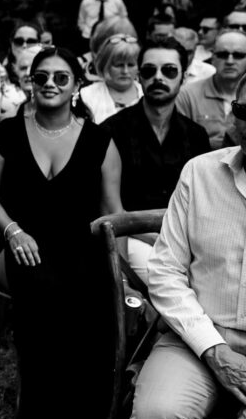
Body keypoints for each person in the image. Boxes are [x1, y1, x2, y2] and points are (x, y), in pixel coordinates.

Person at [0, 47, 123, 419]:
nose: (49, 84)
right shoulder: (6, 133)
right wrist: (13, 230)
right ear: (30, 82)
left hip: (78, 246)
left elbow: (113, 211)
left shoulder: (99, 141)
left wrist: (120, 273)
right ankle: (41, 410)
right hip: (16, 243)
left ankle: (88, 413)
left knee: (90, 288)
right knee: (41, 281)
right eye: (41, 76)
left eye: (61, 77)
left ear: (77, 85)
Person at [131, 77, 246, 419]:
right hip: (197, 334)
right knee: (155, 418)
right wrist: (212, 347)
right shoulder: (199, 173)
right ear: (234, 114)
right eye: (245, 112)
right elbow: (165, 271)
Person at [101, 37, 210, 273]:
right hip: (129, 238)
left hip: (185, 240)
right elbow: (107, 205)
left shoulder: (196, 135)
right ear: (139, 76)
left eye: (169, 70)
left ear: (183, 76)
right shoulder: (110, 131)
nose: (158, 77)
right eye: (149, 70)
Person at [176, 29, 246, 149]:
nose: (230, 61)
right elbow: (181, 144)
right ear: (212, 57)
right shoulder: (186, 95)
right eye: (223, 55)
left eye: (238, 55)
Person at [79, 33, 142, 122]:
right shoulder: (87, 95)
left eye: (131, 65)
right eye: (119, 65)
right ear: (105, 65)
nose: (125, 71)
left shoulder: (147, 94)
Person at [0, 44, 42, 119]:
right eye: (23, 68)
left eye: (34, 68)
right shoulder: (8, 118)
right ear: (16, 71)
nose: (28, 73)